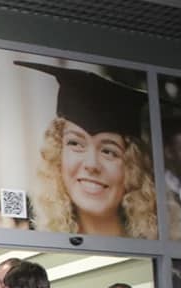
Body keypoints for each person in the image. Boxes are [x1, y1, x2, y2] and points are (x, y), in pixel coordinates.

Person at [15, 62, 157, 239]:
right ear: (58, 157)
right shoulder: (39, 240)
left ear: (133, 167)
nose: (91, 164)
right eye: (75, 144)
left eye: (109, 151)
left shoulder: (160, 246)